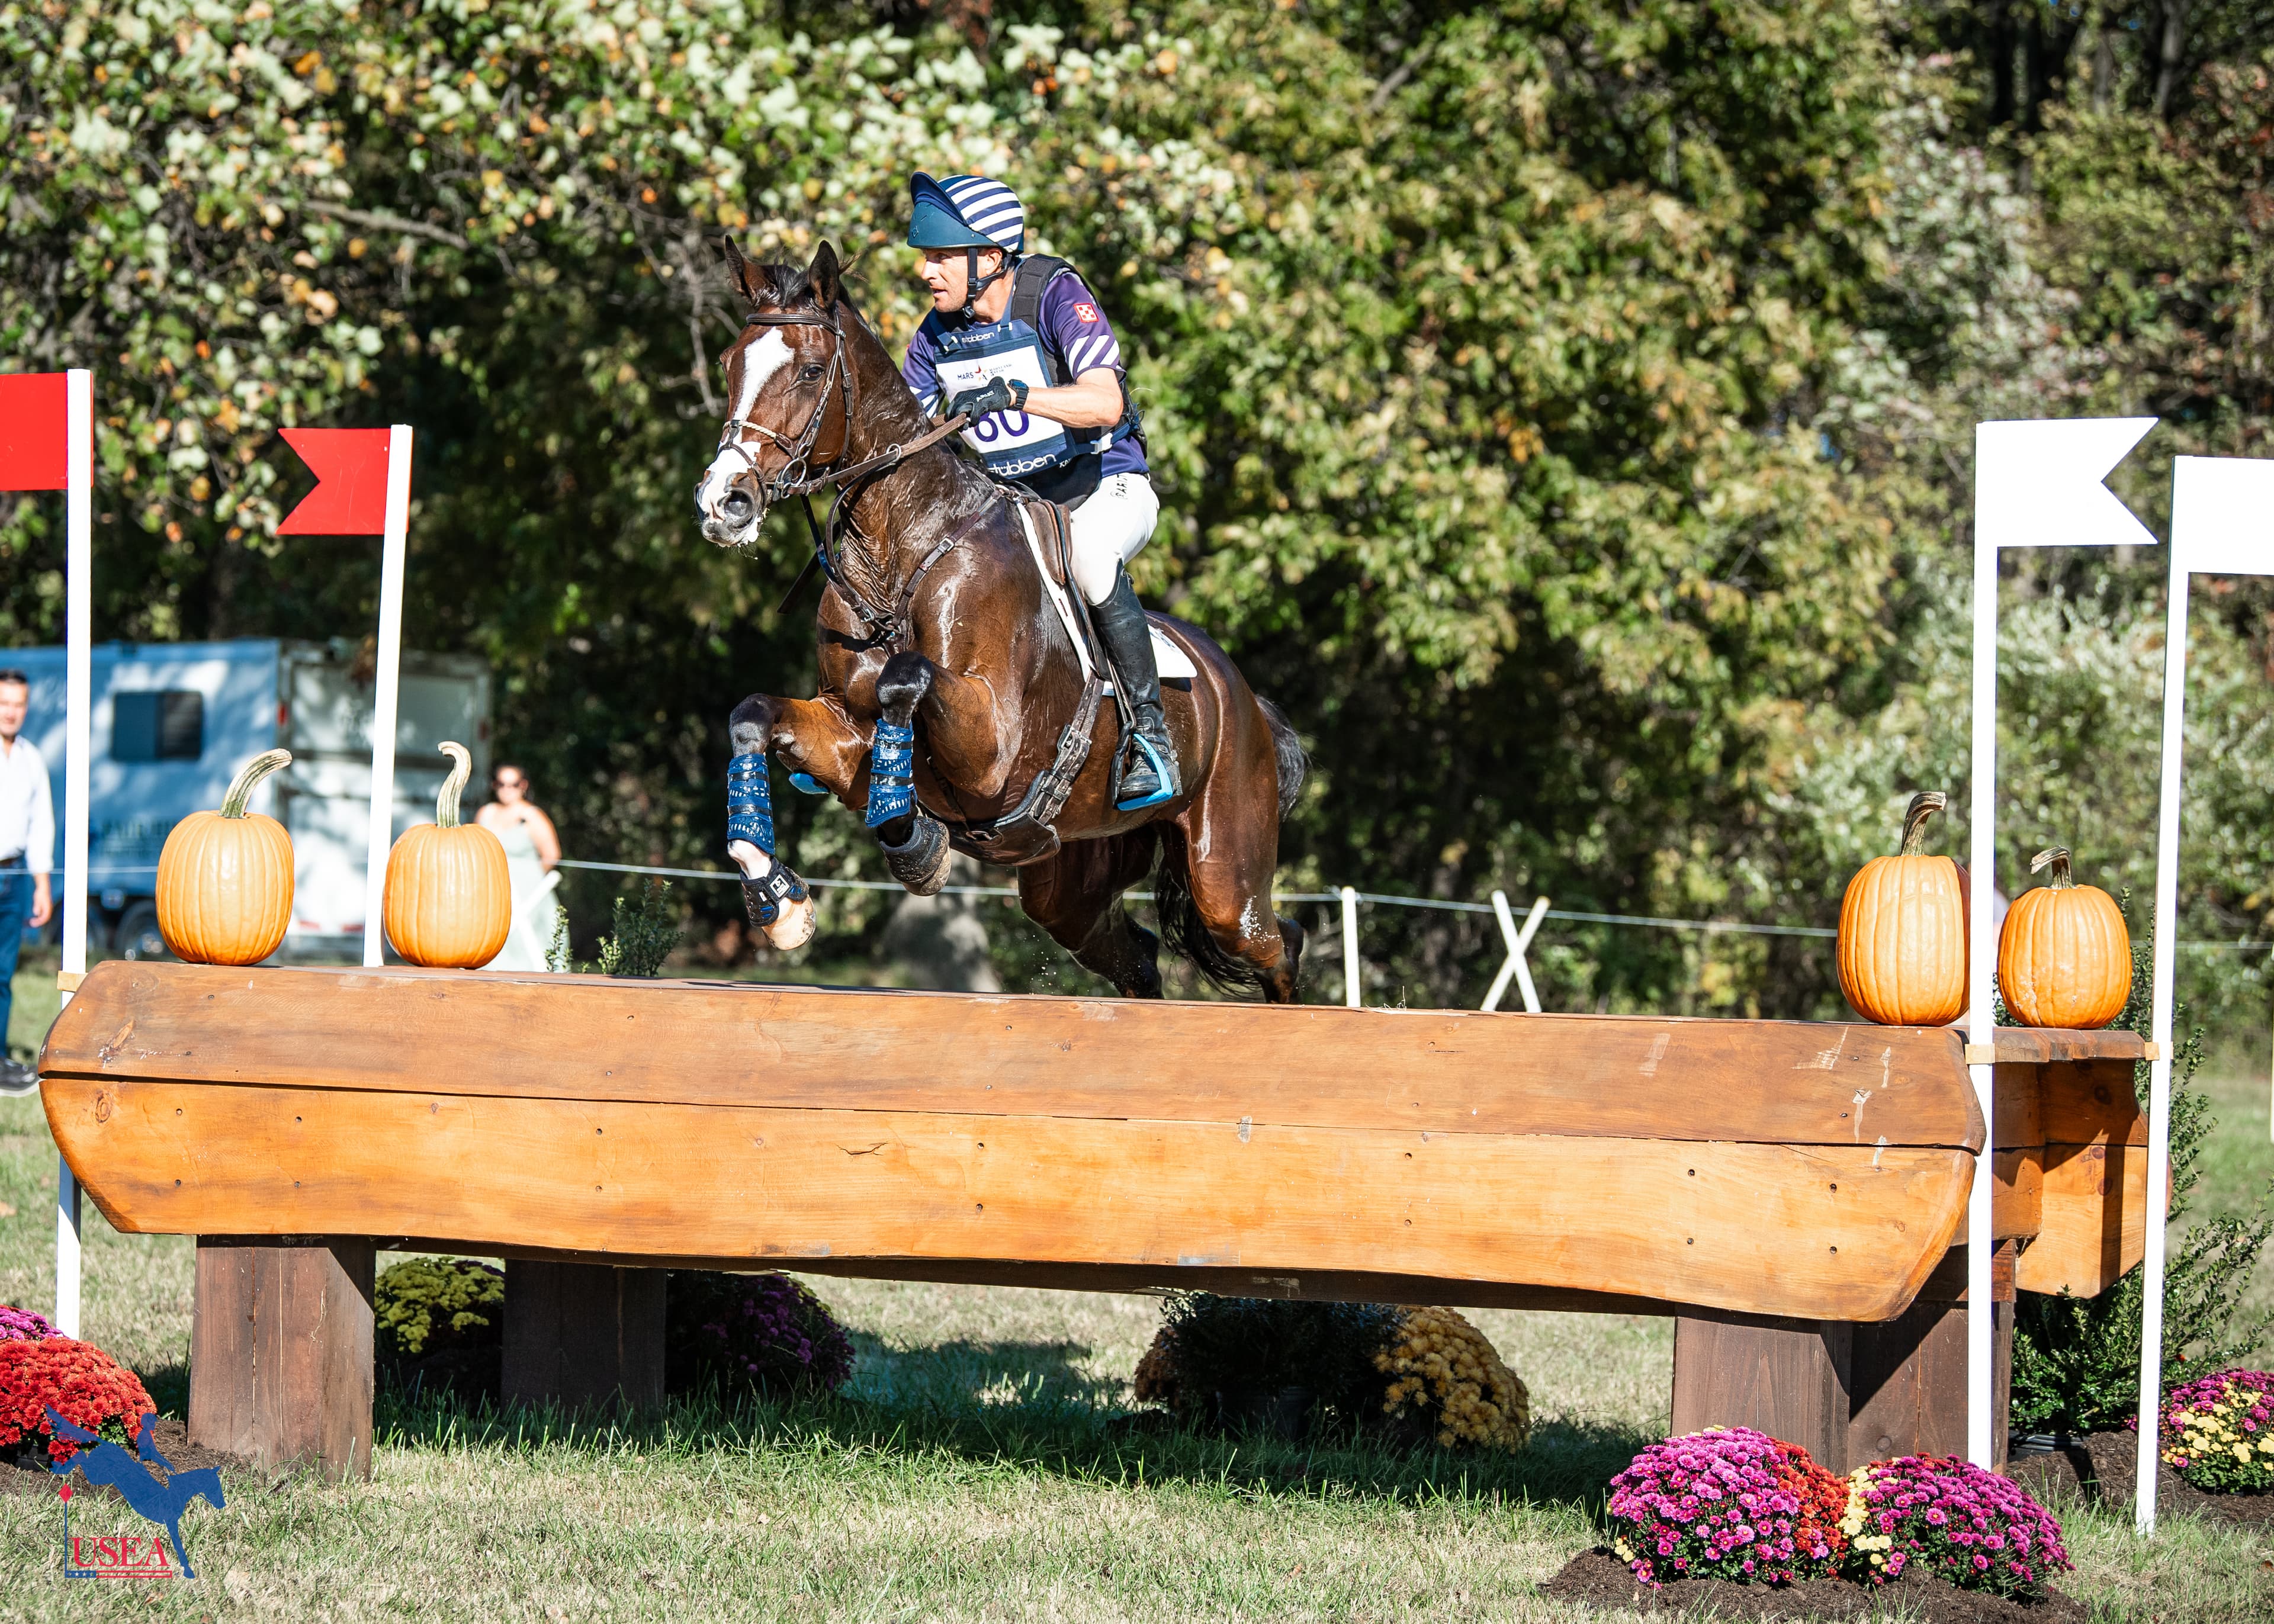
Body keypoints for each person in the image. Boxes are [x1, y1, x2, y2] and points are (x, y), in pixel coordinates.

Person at [899, 172, 1180, 808]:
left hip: (1103, 488)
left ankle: (1148, 736)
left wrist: (1021, 395)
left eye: (942, 255)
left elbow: (1106, 403)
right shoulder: (936, 335)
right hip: (1016, 513)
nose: (927, 271)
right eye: (927, 256)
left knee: (1086, 555)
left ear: (990, 258)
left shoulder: (1056, 295)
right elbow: (904, 438)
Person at [0, 670, 53, 1094]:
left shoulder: (31, 758)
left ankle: (0, 1059)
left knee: (3, 974)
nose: (11, 712)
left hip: (14, 875)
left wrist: (42, 883)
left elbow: (41, 825)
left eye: (18, 704)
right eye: (5, 703)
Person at [474, 764, 563, 972]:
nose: (506, 789)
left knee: (529, 946)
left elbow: (552, 855)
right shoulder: (485, 813)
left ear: (523, 786)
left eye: (513, 784)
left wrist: (530, 881)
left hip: (528, 892)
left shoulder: (533, 816)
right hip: (491, 888)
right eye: (501, 784)